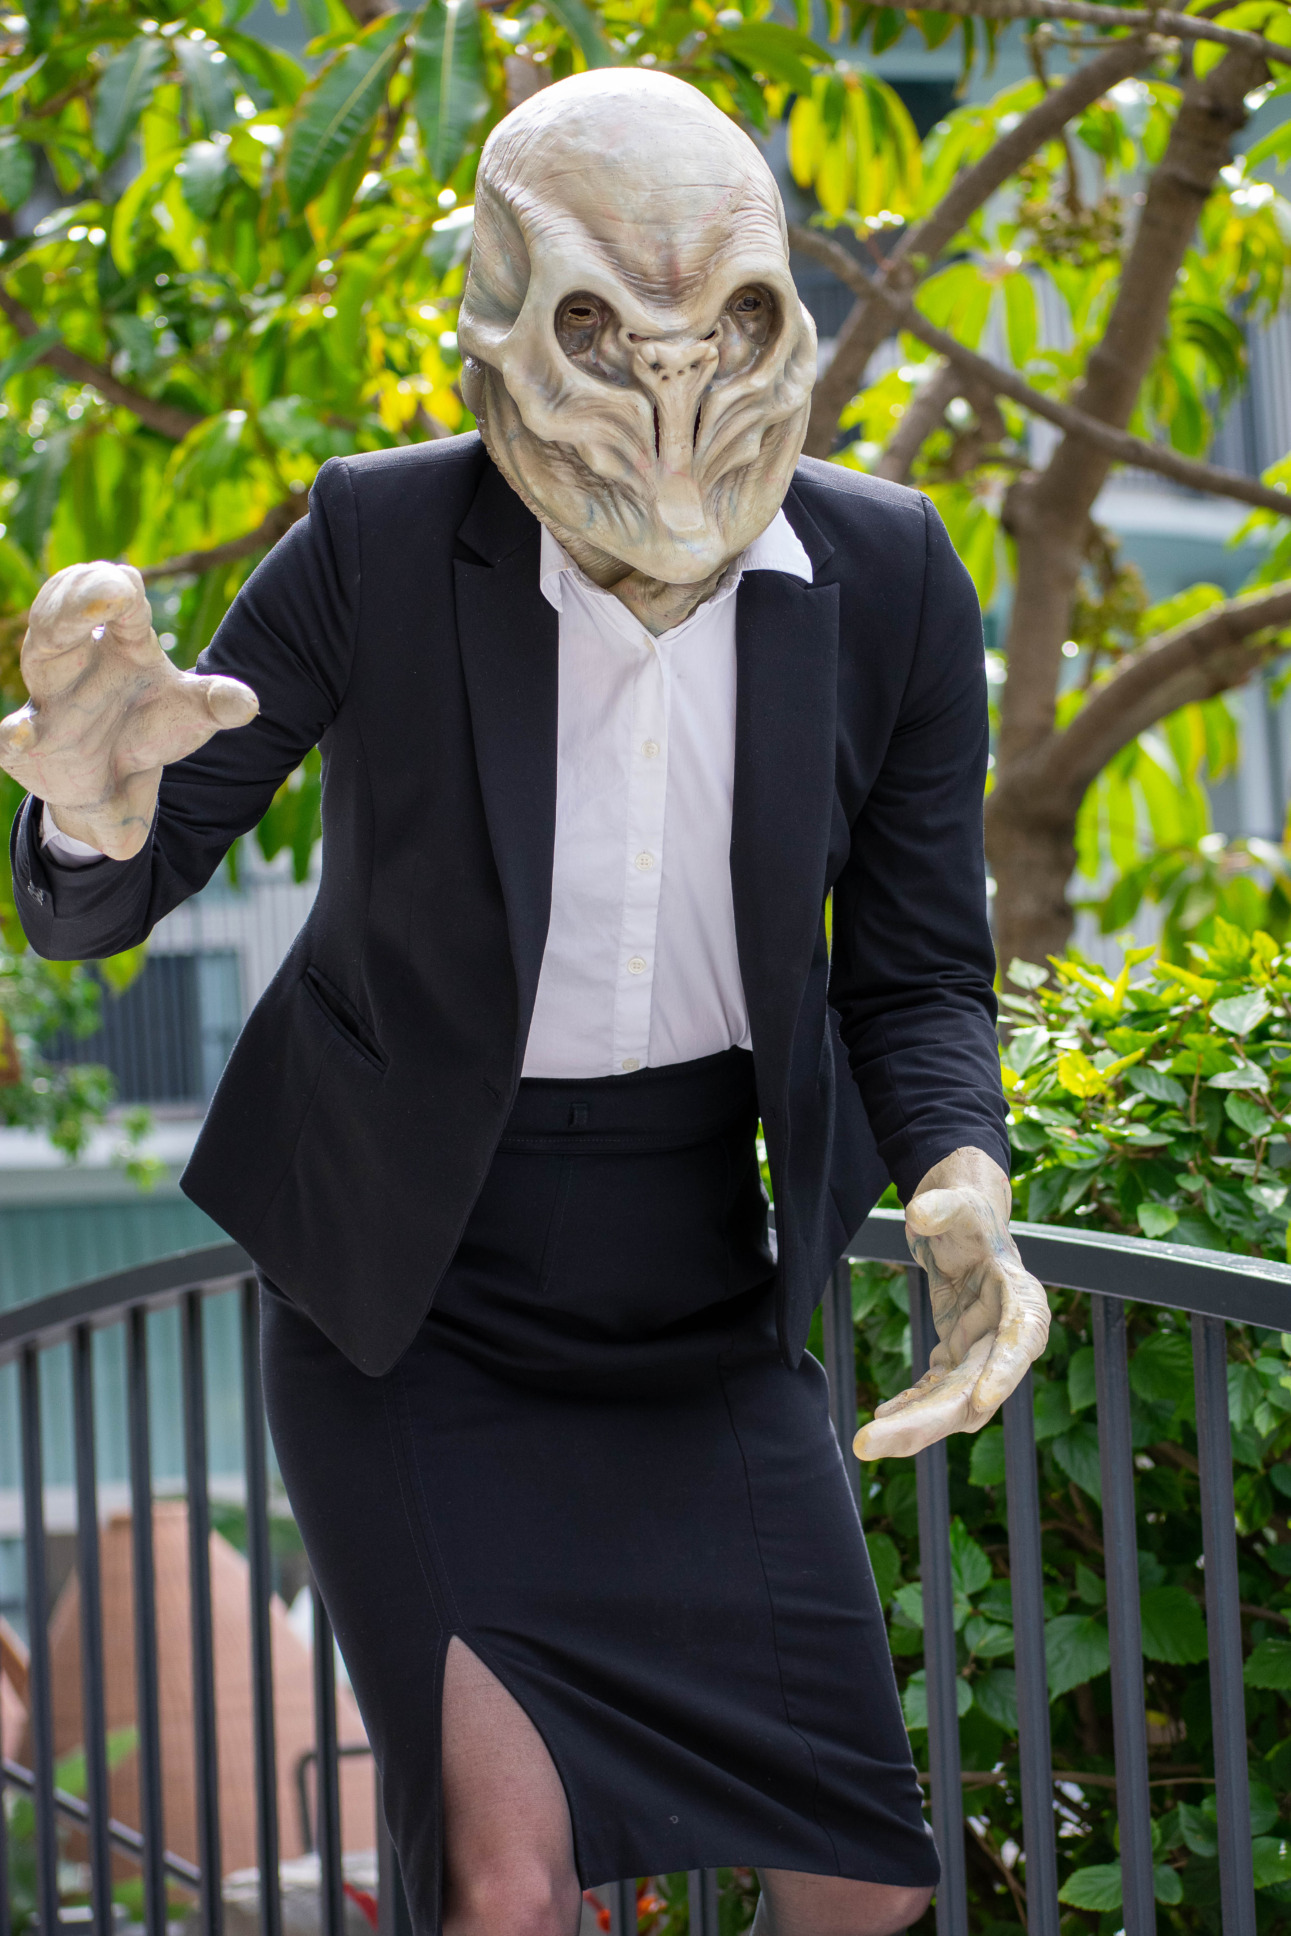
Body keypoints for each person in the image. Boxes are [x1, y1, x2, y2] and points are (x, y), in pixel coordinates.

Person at [2, 68, 1049, 1936]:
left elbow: (912, 971)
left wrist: (960, 1173)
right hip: (414, 1295)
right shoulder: (380, 538)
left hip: (702, 1295)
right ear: (503, 323)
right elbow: (123, 887)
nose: (670, 389)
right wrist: (91, 808)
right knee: (507, 1889)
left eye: (722, 329)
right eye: (604, 329)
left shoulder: (889, 577)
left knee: (864, 1879)